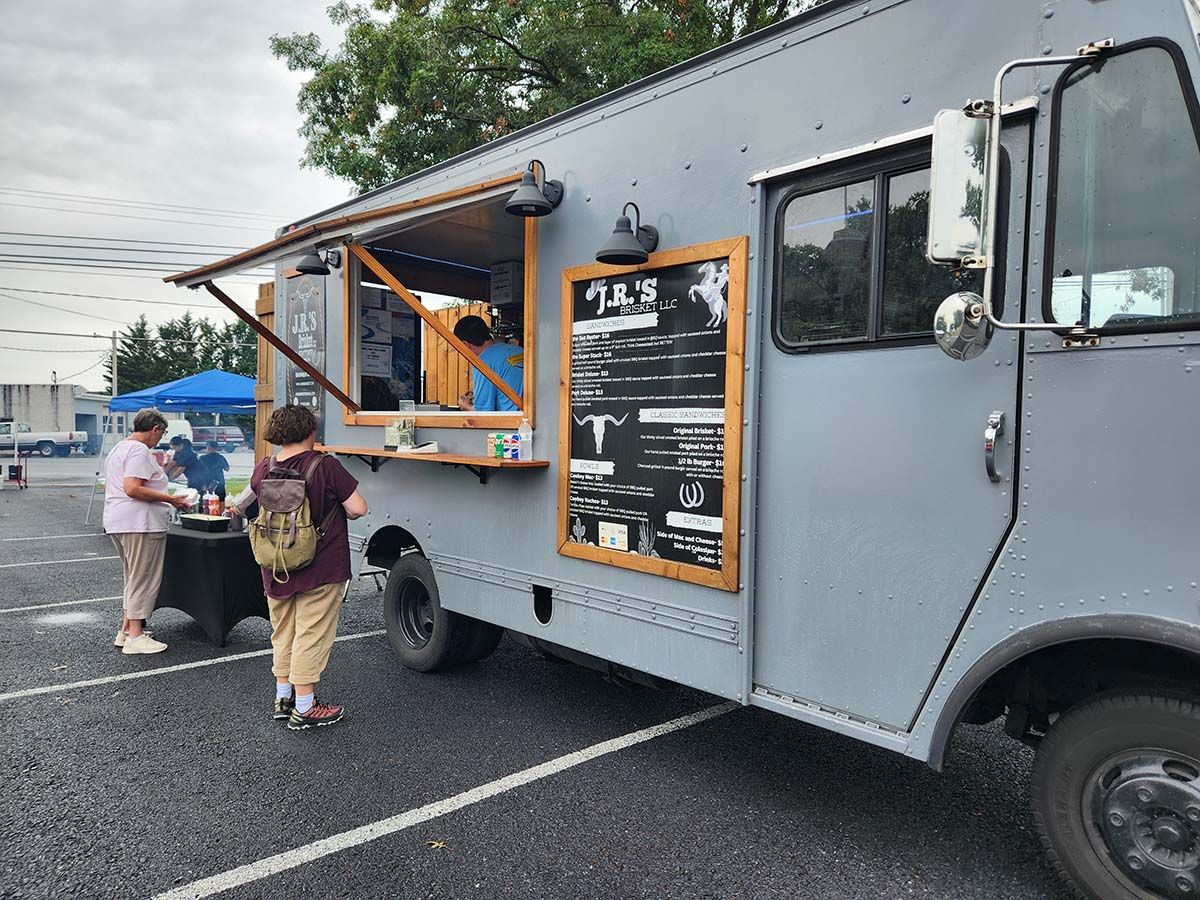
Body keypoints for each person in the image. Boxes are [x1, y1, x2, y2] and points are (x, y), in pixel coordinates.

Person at [244, 405, 367, 730]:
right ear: (310, 430)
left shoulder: (264, 467)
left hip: (276, 564)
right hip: (321, 564)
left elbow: (248, 504)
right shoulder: (325, 466)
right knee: (311, 634)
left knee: (283, 632)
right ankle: (305, 707)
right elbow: (358, 509)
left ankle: (283, 698)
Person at [103, 408, 192, 655]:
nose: (159, 439)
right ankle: (136, 636)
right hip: (139, 523)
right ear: (155, 429)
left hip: (119, 521)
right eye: (161, 434)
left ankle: (125, 631)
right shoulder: (139, 450)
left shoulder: (119, 447)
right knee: (143, 578)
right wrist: (170, 499)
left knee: (132, 577)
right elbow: (132, 488)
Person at [452, 315, 524, 412]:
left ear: (465, 344)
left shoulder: (482, 364)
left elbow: (483, 414)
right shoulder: (518, 350)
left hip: (513, 424)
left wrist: (465, 405)